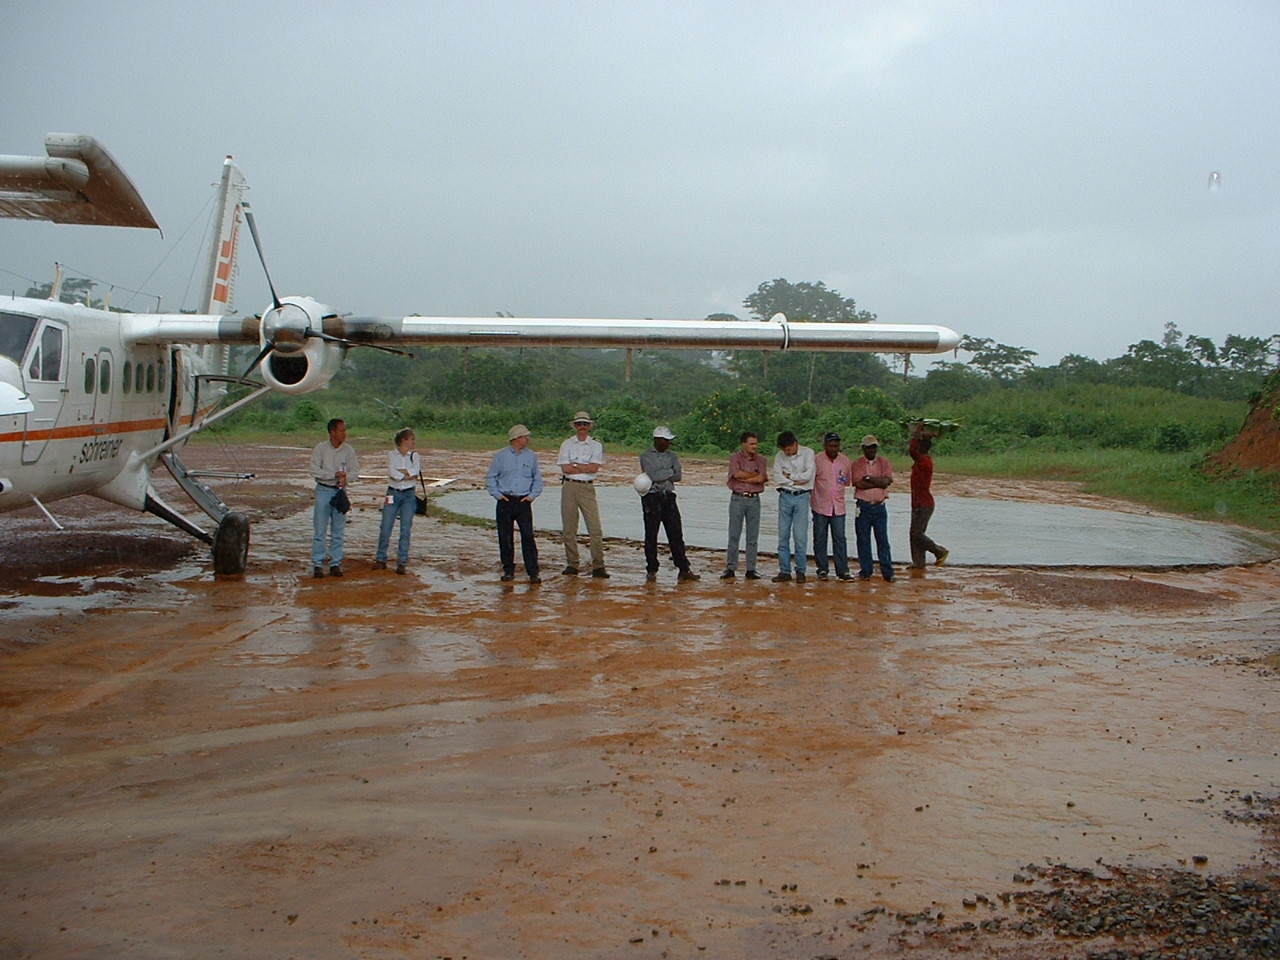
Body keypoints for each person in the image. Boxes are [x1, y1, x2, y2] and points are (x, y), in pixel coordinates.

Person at [638, 426, 700, 583]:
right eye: (665, 441)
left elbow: (678, 475)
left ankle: (683, 568)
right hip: (651, 497)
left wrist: (664, 474)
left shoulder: (673, 456)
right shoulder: (645, 456)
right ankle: (652, 569)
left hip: (668, 496)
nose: (668, 444)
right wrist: (669, 472)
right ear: (657, 440)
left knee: (676, 533)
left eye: (668, 441)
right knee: (651, 535)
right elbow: (654, 476)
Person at [485, 424, 544, 583]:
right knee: (505, 537)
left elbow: (537, 478)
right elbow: (491, 477)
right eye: (525, 436)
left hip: (524, 501)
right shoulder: (500, 456)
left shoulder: (531, 456)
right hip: (505, 500)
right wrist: (497, 495)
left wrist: (532, 496)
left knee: (528, 536)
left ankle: (533, 572)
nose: (528, 439)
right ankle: (508, 570)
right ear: (516, 439)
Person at [558, 411, 609, 578]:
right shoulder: (567, 444)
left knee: (595, 528)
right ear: (574, 426)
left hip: (587, 487)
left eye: (584, 424)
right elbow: (565, 468)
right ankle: (572, 564)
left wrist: (575, 465)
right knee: (569, 528)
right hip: (569, 487)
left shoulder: (596, 445)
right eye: (579, 424)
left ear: (589, 426)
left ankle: (598, 565)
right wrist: (583, 466)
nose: (582, 427)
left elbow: (594, 468)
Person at [309, 417, 359, 578]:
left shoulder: (349, 451)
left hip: (340, 491)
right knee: (320, 529)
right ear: (333, 432)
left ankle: (335, 563)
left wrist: (347, 477)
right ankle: (318, 563)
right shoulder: (320, 449)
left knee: (338, 530)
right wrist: (332, 475)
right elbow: (314, 470)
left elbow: (355, 471)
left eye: (345, 430)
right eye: (342, 430)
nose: (345, 433)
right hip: (323, 490)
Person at [373, 427, 421, 575]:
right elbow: (393, 473)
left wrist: (404, 473)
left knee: (405, 529)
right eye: (411, 439)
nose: (414, 442)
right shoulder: (391, 455)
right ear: (403, 440)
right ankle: (381, 558)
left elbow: (416, 471)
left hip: (408, 494)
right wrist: (407, 474)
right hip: (393, 492)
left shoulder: (415, 455)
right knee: (385, 526)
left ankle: (402, 561)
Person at [721, 431, 768, 580]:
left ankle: (751, 569)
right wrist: (753, 476)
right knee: (734, 535)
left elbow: (762, 477)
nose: (755, 446)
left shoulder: (761, 460)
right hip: (738, 499)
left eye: (756, 443)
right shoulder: (735, 458)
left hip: (754, 499)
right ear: (744, 444)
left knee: (752, 536)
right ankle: (731, 568)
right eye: (752, 443)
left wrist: (746, 476)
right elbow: (736, 474)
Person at [772, 430, 815, 582]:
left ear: (795, 444)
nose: (786, 451)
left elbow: (808, 477)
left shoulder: (808, 453)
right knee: (783, 535)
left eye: (788, 449)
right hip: (785, 496)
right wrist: (795, 481)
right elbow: (778, 477)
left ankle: (801, 571)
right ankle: (784, 571)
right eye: (783, 449)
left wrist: (790, 476)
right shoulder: (779, 456)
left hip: (802, 497)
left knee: (800, 536)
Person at [851, 434, 895, 581]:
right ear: (863, 448)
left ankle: (887, 573)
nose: (872, 450)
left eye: (874, 447)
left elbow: (887, 481)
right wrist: (879, 481)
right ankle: (866, 571)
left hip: (879, 506)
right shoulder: (857, 464)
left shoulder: (884, 462)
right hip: (863, 507)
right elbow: (859, 483)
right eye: (869, 448)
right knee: (863, 539)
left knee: (882, 540)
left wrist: (869, 478)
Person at [810, 432, 852, 581]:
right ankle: (822, 569)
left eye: (836, 446)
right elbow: (811, 482)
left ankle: (843, 571)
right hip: (820, 506)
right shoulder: (816, 460)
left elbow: (846, 482)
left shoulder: (845, 461)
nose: (833, 448)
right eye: (830, 445)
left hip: (838, 506)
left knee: (840, 538)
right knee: (820, 538)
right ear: (825, 446)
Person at [908, 422, 950, 569]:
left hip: (924, 504)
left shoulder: (923, 461)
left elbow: (912, 450)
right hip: (920, 503)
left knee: (916, 534)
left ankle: (939, 551)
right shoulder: (923, 461)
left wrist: (917, 431)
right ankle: (918, 564)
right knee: (915, 534)